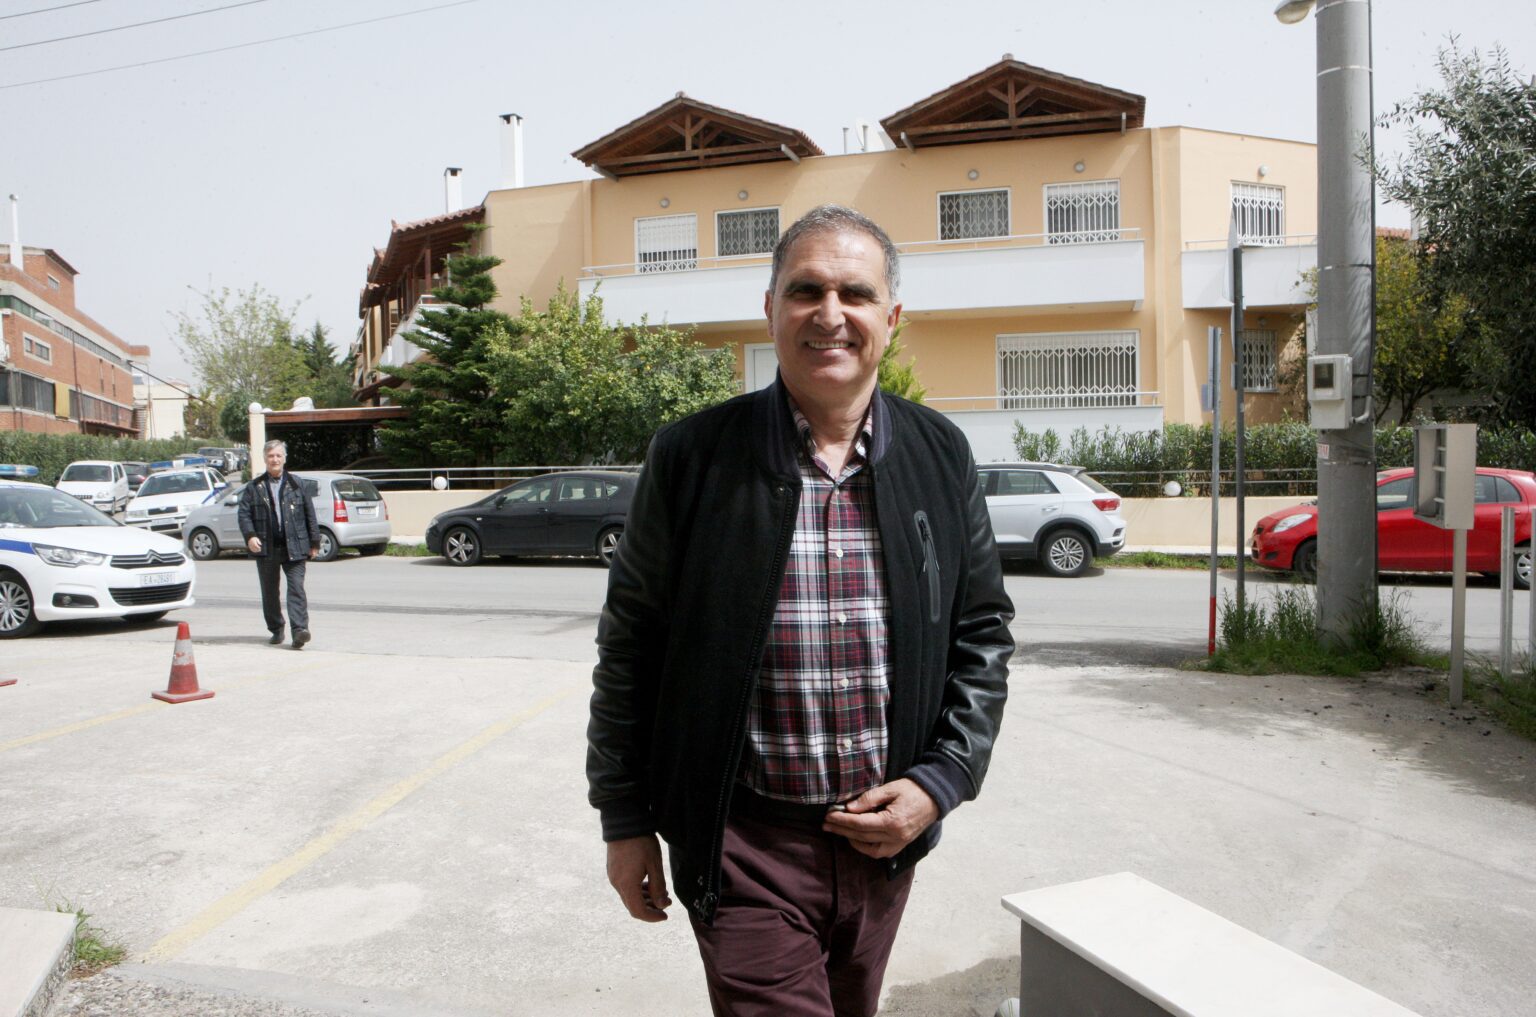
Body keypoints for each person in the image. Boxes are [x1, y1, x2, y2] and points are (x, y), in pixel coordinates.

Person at [586, 205, 1015, 1016]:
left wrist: (943, 779)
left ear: (891, 317)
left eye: (855, 293)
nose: (830, 313)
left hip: (884, 846)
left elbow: (981, 632)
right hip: (743, 846)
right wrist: (625, 815)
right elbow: (632, 646)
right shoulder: (692, 457)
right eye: (806, 290)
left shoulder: (940, 453)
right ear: (770, 308)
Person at [237, 439, 318, 649]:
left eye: (278, 455)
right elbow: (244, 515)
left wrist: (314, 542)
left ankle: (299, 631)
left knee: (297, 589)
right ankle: (276, 628)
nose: (275, 459)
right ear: (265, 459)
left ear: (284, 458)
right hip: (267, 548)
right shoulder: (254, 487)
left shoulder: (297, 484)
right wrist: (250, 536)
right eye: (271, 456)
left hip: (295, 546)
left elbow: (310, 513)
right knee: (270, 592)